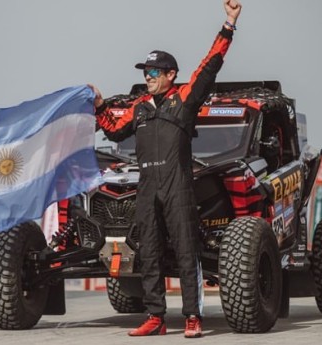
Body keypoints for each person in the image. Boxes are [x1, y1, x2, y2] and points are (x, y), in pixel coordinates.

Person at [89, 0, 242, 338]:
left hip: (178, 186)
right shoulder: (139, 108)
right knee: (149, 253)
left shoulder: (185, 98)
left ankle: (192, 317)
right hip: (147, 187)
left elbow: (209, 66)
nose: (148, 77)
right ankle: (155, 317)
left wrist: (228, 25)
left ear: (170, 75)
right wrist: (100, 106)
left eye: (154, 72)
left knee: (187, 252)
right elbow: (113, 129)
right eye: (145, 72)